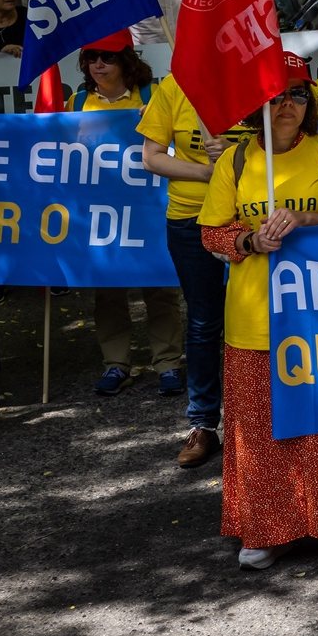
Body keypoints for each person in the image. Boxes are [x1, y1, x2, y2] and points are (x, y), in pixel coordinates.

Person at [198, 51, 318, 569]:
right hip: (254, 318)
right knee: (261, 429)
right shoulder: (235, 161)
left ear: (311, 102)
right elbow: (211, 232)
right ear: (257, 103)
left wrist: (310, 219)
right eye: (276, 95)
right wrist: (252, 239)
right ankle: (267, 528)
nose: (287, 105)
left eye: (298, 94)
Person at [71, 31, 183, 397]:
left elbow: (178, 141)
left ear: (126, 61)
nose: (98, 64)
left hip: (150, 209)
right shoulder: (76, 102)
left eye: (108, 57)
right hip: (100, 214)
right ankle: (115, 364)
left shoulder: (153, 97)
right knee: (107, 292)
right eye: (91, 56)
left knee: (160, 287)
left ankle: (167, 363)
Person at [139, 62, 240, 466]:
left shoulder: (248, 75)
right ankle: (203, 424)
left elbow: (285, 141)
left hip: (249, 214)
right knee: (203, 320)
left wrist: (235, 154)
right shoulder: (173, 88)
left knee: (262, 316)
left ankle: (265, 416)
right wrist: (206, 171)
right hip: (190, 219)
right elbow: (152, 158)